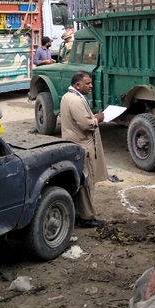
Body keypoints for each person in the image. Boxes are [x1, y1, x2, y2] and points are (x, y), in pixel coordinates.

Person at [60, 71, 108, 227]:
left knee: (81, 182)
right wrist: (98, 118)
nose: (91, 86)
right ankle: (86, 218)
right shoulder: (75, 100)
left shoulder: (69, 97)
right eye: (88, 83)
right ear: (77, 85)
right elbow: (86, 124)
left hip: (76, 145)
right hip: (81, 146)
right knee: (86, 183)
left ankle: (80, 214)